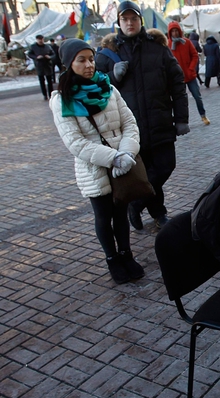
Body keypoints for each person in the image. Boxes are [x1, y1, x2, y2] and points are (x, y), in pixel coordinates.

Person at [50, 39, 144, 284]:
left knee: (121, 212)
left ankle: (126, 254)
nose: (88, 64)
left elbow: (130, 124)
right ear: (69, 64)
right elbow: (75, 142)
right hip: (95, 167)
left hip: (123, 161)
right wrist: (114, 158)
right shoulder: (62, 99)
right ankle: (112, 258)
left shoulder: (109, 89)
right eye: (81, 60)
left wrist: (126, 154)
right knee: (103, 215)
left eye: (90, 59)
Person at [95, 1, 189, 231]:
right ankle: (159, 213)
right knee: (143, 173)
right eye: (125, 19)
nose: (130, 23)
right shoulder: (108, 53)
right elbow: (94, 87)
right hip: (129, 128)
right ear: (118, 22)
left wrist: (182, 118)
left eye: (133, 18)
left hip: (160, 122)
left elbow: (177, 83)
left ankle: (135, 205)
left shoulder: (157, 47)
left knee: (165, 166)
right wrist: (111, 76)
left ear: (140, 21)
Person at [168, 22, 209, 126]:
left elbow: (195, 55)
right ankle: (182, 121)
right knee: (180, 101)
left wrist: (191, 68)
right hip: (177, 78)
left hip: (189, 76)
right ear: (169, 33)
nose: (175, 33)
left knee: (197, 96)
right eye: (172, 31)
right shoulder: (168, 45)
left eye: (176, 30)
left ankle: (203, 115)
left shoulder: (186, 42)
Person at [27, 35, 54, 100]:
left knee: (49, 81)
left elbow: (53, 54)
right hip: (39, 65)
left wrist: (50, 57)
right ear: (36, 39)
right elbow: (29, 54)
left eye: (41, 39)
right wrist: (36, 57)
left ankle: (51, 94)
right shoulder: (33, 47)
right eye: (39, 39)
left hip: (47, 65)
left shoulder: (47, 46)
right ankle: (44, 94)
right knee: (42, 81)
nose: (40, 40)